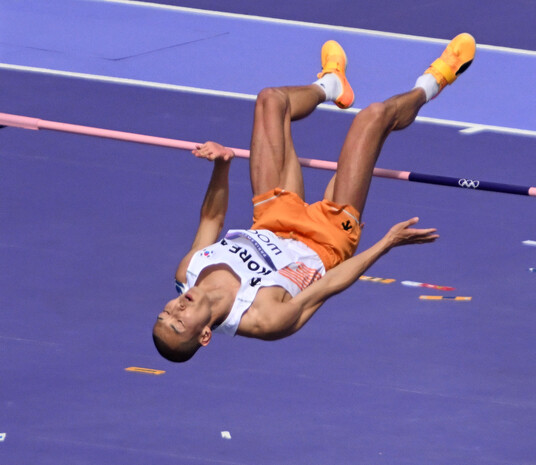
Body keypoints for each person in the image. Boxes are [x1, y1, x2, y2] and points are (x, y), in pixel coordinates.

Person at [153, 33, 476, 362]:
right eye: (179, 322)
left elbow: (211, 219)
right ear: (205, 335)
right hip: (327, 238)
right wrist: (386, 243)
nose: (175, 308)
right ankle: (434, 81)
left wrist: (222, 165)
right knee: (373, 118)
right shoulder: (264, 320)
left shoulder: (189, 271)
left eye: (165, 314)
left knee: (271, 100)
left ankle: (332, 85)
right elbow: (329, 285)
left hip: (272, 216)